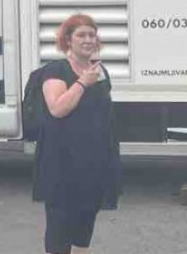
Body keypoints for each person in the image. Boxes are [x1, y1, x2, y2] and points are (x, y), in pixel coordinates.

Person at [33, 14, 121, 254]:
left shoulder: (99, 70)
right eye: (81, 35)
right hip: (62, 159)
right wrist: (82, 82)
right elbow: (57, 109)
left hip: (93, 159)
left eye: (92, 35)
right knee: (61, 220)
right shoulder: (55, 70)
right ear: (68, 40)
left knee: (86, 217)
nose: (88, 40)